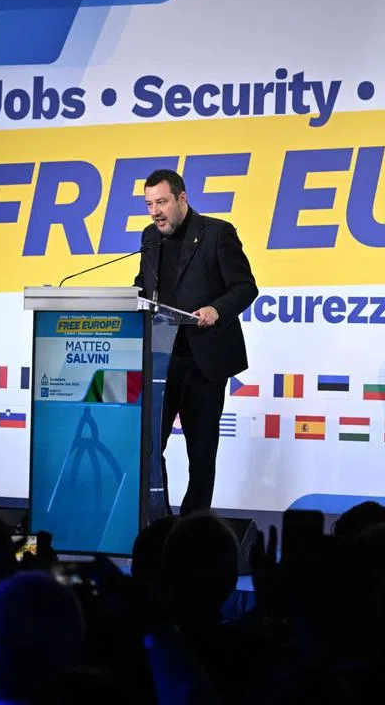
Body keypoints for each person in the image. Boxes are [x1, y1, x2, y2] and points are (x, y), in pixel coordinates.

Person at [134, 168, 258, 515]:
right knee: (149, 446)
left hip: (204, 361)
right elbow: (144, 286)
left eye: (161, 202)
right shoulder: (149, 238)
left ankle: (193, 528)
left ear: (181, 199)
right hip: (161, 360)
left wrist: (217, 310)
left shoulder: (217, 234)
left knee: (201, 455)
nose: (155, 211)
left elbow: (246, 287)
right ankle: (159, 520)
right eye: (149, 204)